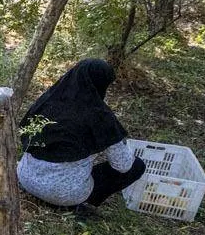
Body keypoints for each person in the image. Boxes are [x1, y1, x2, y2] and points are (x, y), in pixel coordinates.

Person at [17, 59, 145, 217]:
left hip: (26, 178)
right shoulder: (100, 116)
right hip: (64, 194)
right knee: (137, 166)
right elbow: (123, 165)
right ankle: (81, 204)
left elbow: (25, 133)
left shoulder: (49, 99)